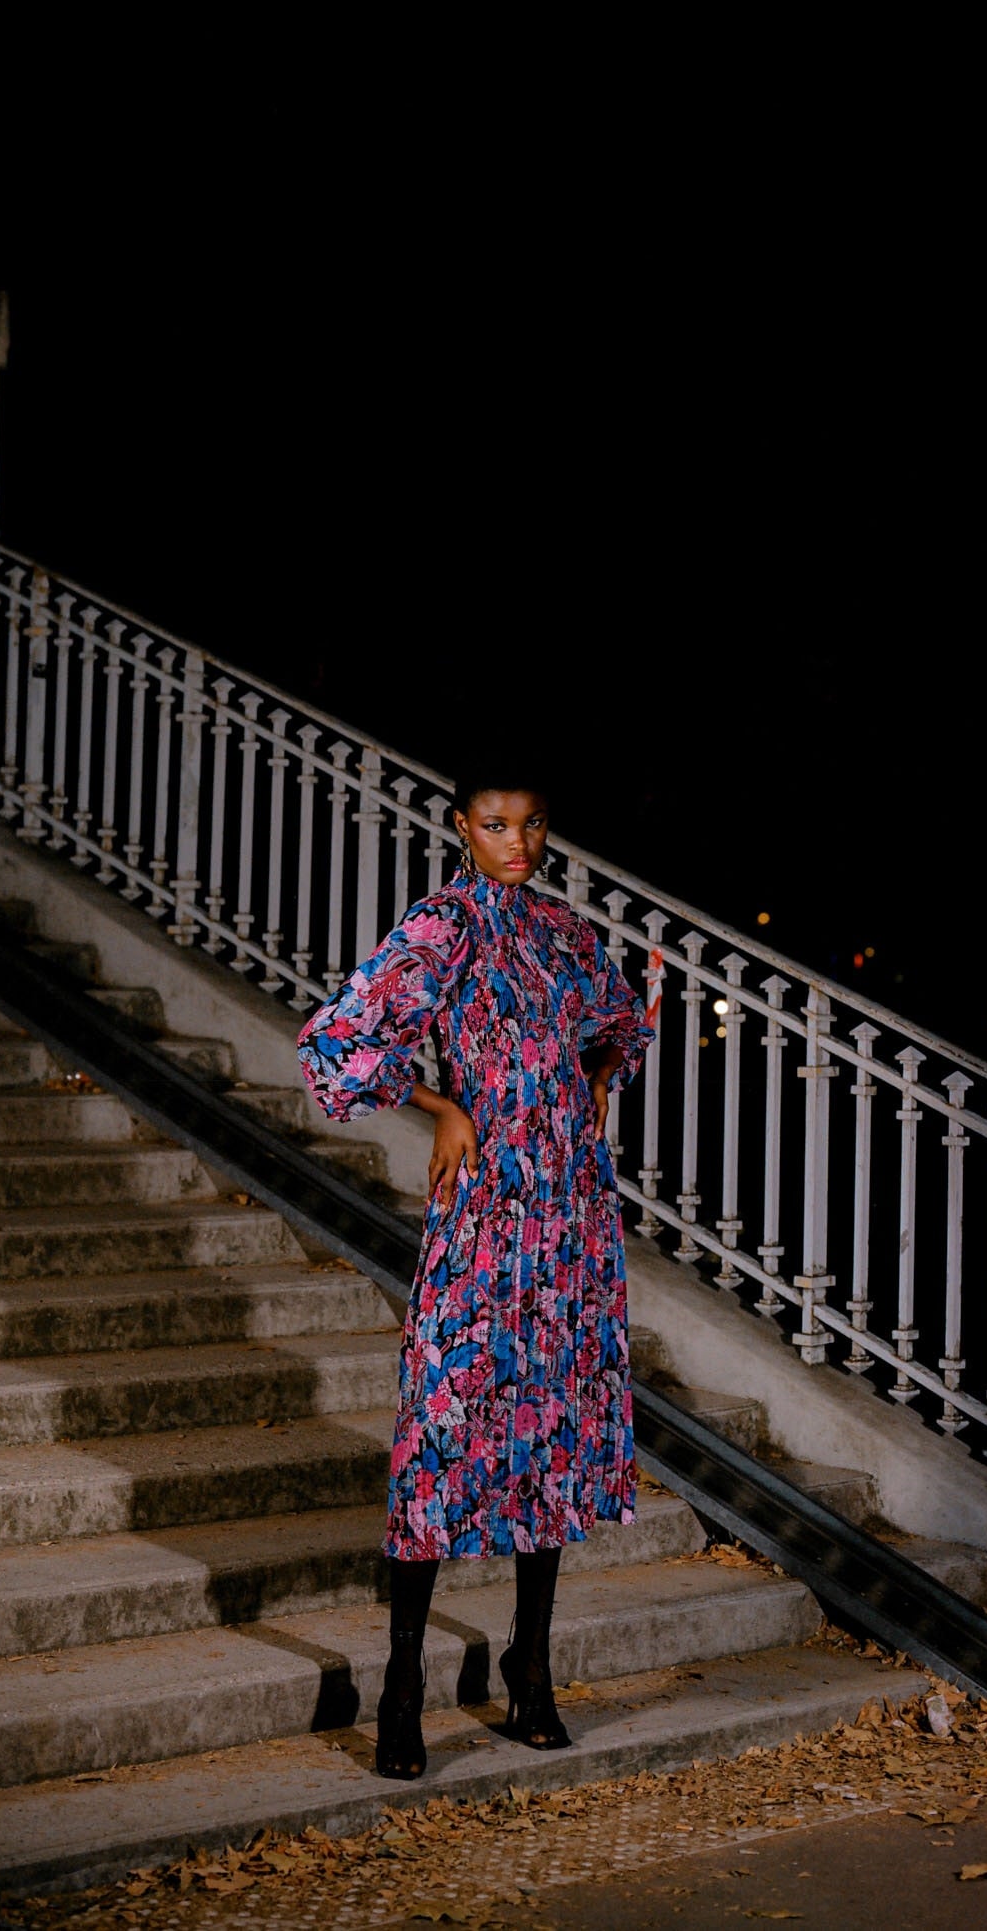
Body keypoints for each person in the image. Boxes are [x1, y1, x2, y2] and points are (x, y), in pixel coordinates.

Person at [297, 758, 654, 1778]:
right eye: (496, 823)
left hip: (570, 1212)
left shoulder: (564, 934)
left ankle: (528, 1668)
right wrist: (439, 1104)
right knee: (440, 1430)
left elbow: (622, 1023)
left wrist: (591, 1077)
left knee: (550, 1422)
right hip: (482, 1206)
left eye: (533, 823)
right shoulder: (439, 927)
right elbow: (339, 1038)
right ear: (461, 825)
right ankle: (400, 1685)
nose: (518, 842)